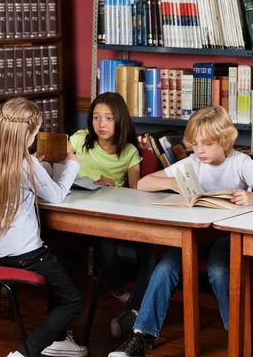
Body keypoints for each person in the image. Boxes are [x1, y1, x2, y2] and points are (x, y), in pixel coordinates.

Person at [108, 105, 253, 357]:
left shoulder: (241, 162)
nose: (199, 150)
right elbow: (143, 183)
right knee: (165, 268)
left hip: (229, 235)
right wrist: (173, 182)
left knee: (218, 269)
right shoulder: (192, 162)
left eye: (207, 144)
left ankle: (243, 339)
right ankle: (140, 336)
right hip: (195, 234)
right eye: (195, 143)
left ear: (224, 141)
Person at [0, 98, 87, 357]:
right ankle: (24, 353)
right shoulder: (27, 164)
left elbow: (11, 183)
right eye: (35, 133)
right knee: (73, 301)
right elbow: (57, 194)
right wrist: (72, 164)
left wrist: (35, 163)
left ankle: (58, 339)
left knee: (65, 268)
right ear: (26, 134)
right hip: (25, 254)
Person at [68, 92, 156, 338]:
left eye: (108, 118)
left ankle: (136, 307)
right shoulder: (79, 140)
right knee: (105, 249)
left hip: (114, 214)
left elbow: (137, 191)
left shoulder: (128, 151)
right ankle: (119, 291)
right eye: (96, 117)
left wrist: (113, 187)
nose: (101, 124)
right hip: (81, 210)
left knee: (146, 249)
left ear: (120, 120)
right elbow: (54, 161)